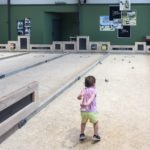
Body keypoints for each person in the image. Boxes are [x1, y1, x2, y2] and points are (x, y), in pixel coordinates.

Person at [77, 75, 100, 142]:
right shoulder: (94, 91)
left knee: (83, 122)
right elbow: (91, 99)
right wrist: (86, 104)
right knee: (95, 123)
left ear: (85, 84)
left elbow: (78, 97)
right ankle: (95, 135)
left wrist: (80, 96)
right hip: (92, 111)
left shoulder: (84, 90)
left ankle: (82, 134)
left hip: (83, 111)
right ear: (94, 84)